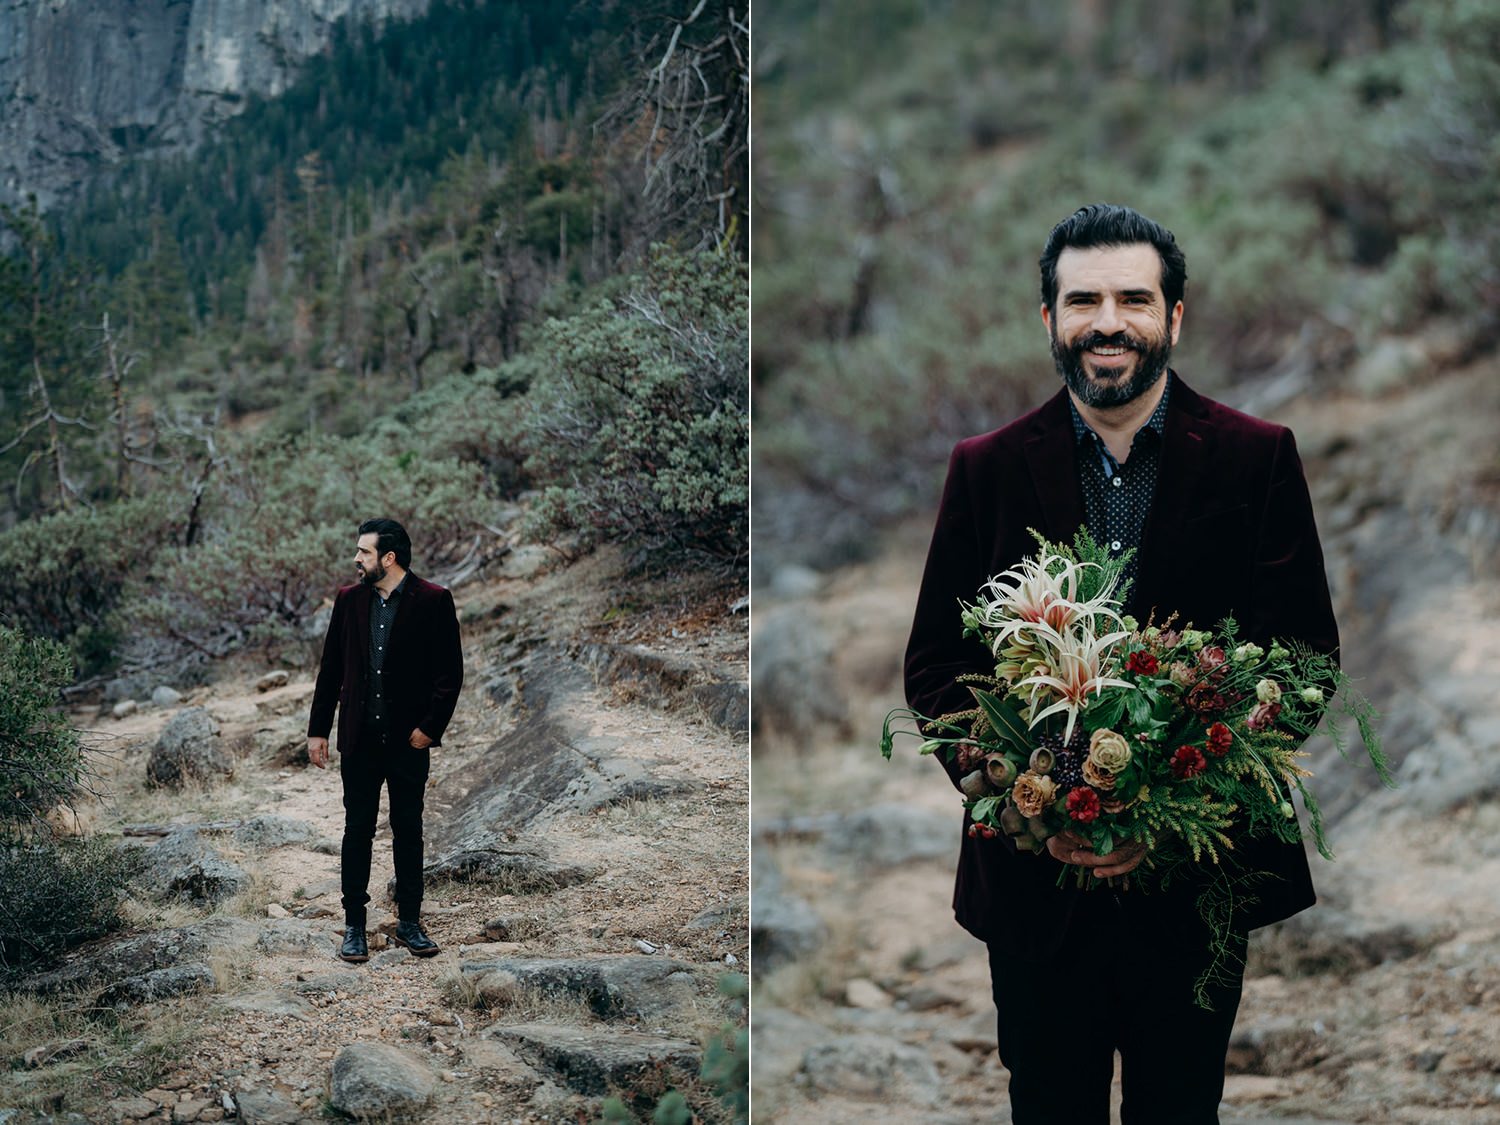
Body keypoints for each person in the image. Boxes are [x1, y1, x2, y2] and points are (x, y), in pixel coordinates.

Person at [903, 203, 1338, 1124]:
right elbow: (938, 665)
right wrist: (1042, 796)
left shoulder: (1259, 458)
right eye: (1084, 300)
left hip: (1196, 888)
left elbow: (1304, 662)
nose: (1108, 321)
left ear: (1174, 318)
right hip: (1033, 889)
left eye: (1134, 299)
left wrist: (1168, 803)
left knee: (1181, 1110)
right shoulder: (983, 468)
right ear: (1051, 321)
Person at [307, 517, 464, 963]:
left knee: (408, 830)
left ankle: (410, 923)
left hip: (407, 742)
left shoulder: (434, 600)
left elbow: (449, 674)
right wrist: (319, 730)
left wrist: (430, 729)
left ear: (388, 558)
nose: (356, 559)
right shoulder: (348, 601)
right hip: (358, 739)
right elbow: (331, 670)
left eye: (364, 552)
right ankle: (354, 925)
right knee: (357, 830)